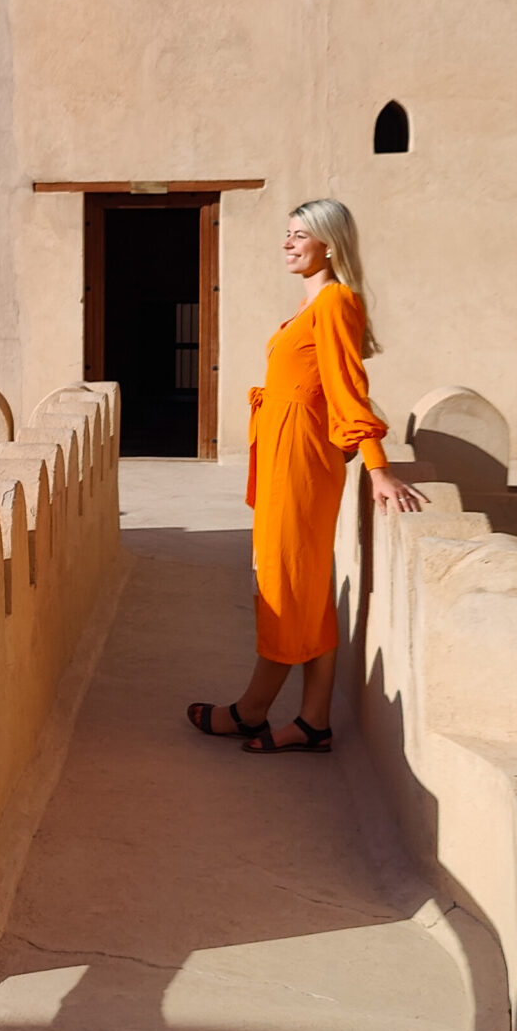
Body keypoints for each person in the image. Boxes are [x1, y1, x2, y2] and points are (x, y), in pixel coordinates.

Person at [189, 197, 426, 754]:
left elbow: (348, 387)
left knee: (285, 583)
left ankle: (251, 711)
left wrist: (377, 467)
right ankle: (313, 720)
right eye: (287, 234)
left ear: (329, 243)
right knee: (308, 587)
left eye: (300, 235)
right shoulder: (310, 304)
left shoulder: (336, 301)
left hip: (299, 460)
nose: (288, 243)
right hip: (283, 452)